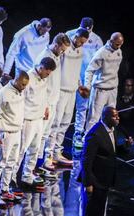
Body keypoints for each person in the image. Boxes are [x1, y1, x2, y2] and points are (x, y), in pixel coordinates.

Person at [80, 106, 133, 216]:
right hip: (94, 183)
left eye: (118, 116)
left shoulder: (112, 130)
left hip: (104, 182)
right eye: (115, 117)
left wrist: (126, 146)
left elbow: (111, 153)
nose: (118, 119)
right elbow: (86, 161)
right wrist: (88, 183)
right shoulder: (95, 134)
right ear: (106, 117)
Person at [43, 28, 90, 169]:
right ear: (76, 36)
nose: (81, 44)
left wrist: (79, 85)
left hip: (72, 92)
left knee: (64, 124)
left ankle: (57, 152)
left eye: (84, 42)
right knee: (55, 124)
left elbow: (76, 71)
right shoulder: (64, 50)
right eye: (80, 41)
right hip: (60, 91)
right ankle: (48, 156)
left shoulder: (80, 50)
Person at [14, 57, 56, 188]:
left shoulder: (44, 78)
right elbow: (21, 98)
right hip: (28, 119)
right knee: (22, 150)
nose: (48, 76)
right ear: (41, 67)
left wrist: (46, 107)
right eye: (47, 72)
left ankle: (27, 175)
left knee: (35, 149)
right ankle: (12, 177)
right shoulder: (28, 78)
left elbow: (44, 95)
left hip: (39, 119)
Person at [0, 71, 29, 206]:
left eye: (25, 85)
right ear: (16, 80)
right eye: (22, 84)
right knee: (0, 163)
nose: (24, 87)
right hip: (6, 133)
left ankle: (5, 189)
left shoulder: (21, 91)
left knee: (12, 162)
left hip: (17, 132)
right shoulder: (4, 93)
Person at [35, 33, 71, 161]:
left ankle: (41, 163)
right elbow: (41, 84)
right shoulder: (44, 58)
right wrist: (44, 105)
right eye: (62, 49)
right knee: (39, 136)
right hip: (45, 103)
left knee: (45, 134)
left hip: (53, 101)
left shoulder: (57, 56)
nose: (62, 53)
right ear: (56, 45)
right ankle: (32, 167)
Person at [71, 18, 104, 148]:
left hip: (86, 78)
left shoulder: (97, 40)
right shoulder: (70, 34)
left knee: (82, 107)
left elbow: (100, 61)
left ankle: (79, 133)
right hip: (71, 75)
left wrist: (91, 81)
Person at [84, 32, 124, 132]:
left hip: (112, 90)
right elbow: (90, 70)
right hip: (100, 89)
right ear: (111, 41)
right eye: (117, 44)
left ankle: (108, 142)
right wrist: (87, 86)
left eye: (120, 44)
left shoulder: (119, 51)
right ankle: (88, 142)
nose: (118, 46)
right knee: (94, 118)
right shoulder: (101, 53)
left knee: (111, 118)